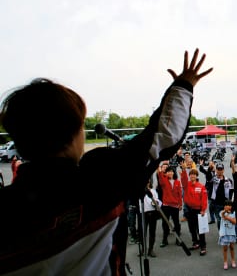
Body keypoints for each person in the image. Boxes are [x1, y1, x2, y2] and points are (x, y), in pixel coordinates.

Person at [0, 49, 212, 275]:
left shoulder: (6, 209)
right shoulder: (99, 178)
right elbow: (163, 135)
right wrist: (183, 85)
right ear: (75, 132)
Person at [180, 167, 208, 256]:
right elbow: (183, 180)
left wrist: (203, 210)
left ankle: (203, 246)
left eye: (194, 174)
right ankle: (195, 243)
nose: (192, 176)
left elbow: (204, 199)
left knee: (200, 230)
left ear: (196, 176)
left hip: (198, 211)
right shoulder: (186, 185)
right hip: (189, 210)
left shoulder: (201, 186)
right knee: (192, 229)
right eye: (191, 174)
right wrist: (184, 170)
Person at [158, 166, 183, 247]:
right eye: (168, 171)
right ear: (166, 173)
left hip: (175, 206)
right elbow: (161, 180)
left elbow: (179, 194)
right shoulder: (164, 181)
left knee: (176, 223)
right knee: (165, 223)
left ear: (173, 172)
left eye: (171, 171)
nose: (170, 173)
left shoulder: (177, 182)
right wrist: (160, 172)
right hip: (166, 205)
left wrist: (180, 204)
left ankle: (178, 239)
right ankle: (164, 240)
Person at [140, 182, 161, 258]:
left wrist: (155, 203)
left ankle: (151, 249)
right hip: (143, 213)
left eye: (148, 182)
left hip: (152, 213)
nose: (147, 184)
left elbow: (157, 200)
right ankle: (143, 249)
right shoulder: (140, 192)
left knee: (152, 231)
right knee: (142, 232)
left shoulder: (153, 191)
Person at [210, 163, 234, 230]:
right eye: (218, 169)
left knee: (227, 219)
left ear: (223, 170)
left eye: (221, 169)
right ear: (216, 170)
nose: (219, 171)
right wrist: (210, 169)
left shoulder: (228, 180)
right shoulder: (213, 180)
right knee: (219, 220)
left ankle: (228, 234)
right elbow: (208, 177)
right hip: (216, 204)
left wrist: (230, 203)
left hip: (225, 204)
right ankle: (221, 234)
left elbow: (231, 192)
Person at [218, 200, 237, 270]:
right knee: (225, 248)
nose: (227, 206)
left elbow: (235, 222)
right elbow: (222, 215)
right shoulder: (222, 212)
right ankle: (225, 262)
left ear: (231, 207)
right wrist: (225, 212)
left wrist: (228, 218)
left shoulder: (233, 213)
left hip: (231, 233)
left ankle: (233, 260)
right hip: (224, 233)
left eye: (229, 205)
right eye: (225, 205)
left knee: (232, 247)